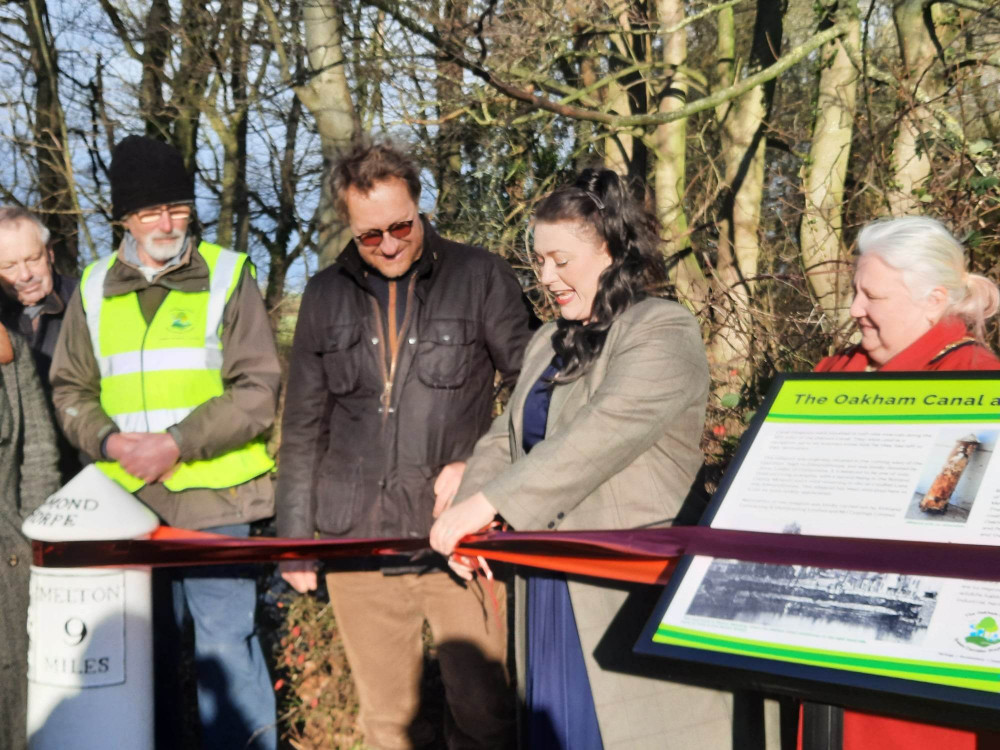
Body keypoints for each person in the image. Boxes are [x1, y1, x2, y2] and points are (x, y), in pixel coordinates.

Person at [430, 168, 733, 750]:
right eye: (539, 261)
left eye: (560, 260)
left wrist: (490, 503)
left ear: (612, 250)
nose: (546, 277)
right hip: (548, 585)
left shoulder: (664, 330)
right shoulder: (547, 340)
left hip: (626, 589)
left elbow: (600, 435)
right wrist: (470, 507)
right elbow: (505, 436)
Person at [277, 140, 532, 749]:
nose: (389, 244)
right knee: (388, 723)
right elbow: (303, 425)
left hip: (459, 540)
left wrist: (481, 468)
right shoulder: (322, 295)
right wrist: (294, 543)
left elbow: (533, 388)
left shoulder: (481, 276)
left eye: (401, 226)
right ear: (348, 226)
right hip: (358, 545)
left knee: (485, 714)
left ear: (421, 207)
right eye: (370, 235)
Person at [49, 135, 280, 749]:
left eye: (178, 207)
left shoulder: (230, 275)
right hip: (124, 509)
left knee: (228, 652)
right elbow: (69, 388)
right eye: (151, 211)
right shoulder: (93, 288)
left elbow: (258, 389)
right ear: (124, 217)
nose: (167, 223)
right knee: (137, 671)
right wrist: (107, 440)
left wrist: (176, 442)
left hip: (218, 504)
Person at [798, 215, 1000, 748]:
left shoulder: (975, 379)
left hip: (915, 659)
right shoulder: (834, 370)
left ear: (933, 301)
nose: (855, 310)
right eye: (855, 292)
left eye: (873, 296)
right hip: (815, 629)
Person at [0, 322, 60, 750]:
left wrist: (35, 536)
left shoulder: (9, 348)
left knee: (15, 698)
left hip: (9, 557)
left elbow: (38, 455)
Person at [0, 206, 81, 477]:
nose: (25, 275)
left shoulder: (87, 302)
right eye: (9, 266)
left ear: (50, 253)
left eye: (33, 259)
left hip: (85, 467)